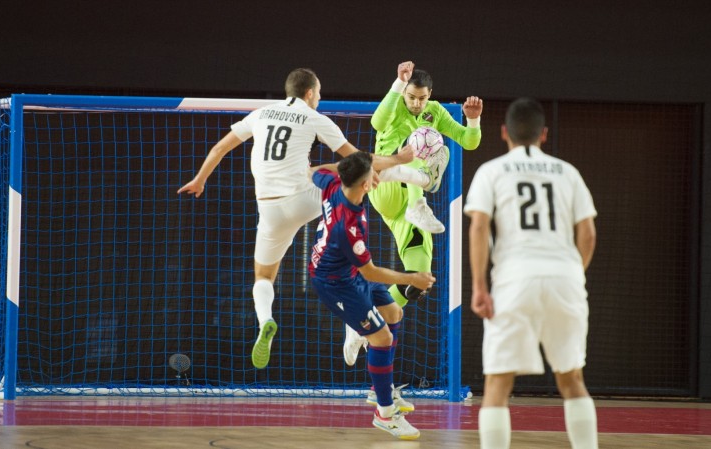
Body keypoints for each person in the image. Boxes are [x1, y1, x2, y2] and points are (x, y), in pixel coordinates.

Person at [177, 68, 433, 369]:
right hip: (303, 198)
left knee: (263, 277)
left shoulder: (260, 114)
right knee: (352, 171)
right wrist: (398, 159)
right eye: (319, 93)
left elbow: (220, 147)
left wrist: (200, 180)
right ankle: (418, 178)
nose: (320, 98)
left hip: (269, 208)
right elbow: (359, 158)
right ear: (310, 93)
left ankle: (265, 320)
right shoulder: (314, 117)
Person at [343, 61, 483, 407]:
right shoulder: (395, 106)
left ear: (430, 95)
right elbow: (377, 122)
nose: (417, 103)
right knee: (425, 141)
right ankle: (419, 199)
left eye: (422, 98)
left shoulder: (435, 112)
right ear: (405, 93)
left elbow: (469, 142)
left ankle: (362, 324)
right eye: (412, 97)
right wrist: (397, 84)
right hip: (386, 188)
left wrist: (473, 120)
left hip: (406, 208)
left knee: (419, 280)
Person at [464, 97, 599, 449]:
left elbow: (479, 227)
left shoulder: (491, 170)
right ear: (544, 134)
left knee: (498, 383)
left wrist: (479, 287)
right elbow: (587, 233)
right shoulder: (568, 172)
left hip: (515, 279)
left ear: (504, 132)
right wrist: (574, 273)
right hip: (565, 278)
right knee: (572, 378)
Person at [308, 151, 435, 440]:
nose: (378, 176)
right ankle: (385, 413)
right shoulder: (348, 226)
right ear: (366, 184)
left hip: (348, 272)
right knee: (382, 338)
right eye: (373, 175)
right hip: (336, 284)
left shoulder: (333, 183)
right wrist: (412, 278)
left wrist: (400, 159)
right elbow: (372, 273)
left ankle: (380, 390)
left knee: (394, 312)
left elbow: (314, 171)